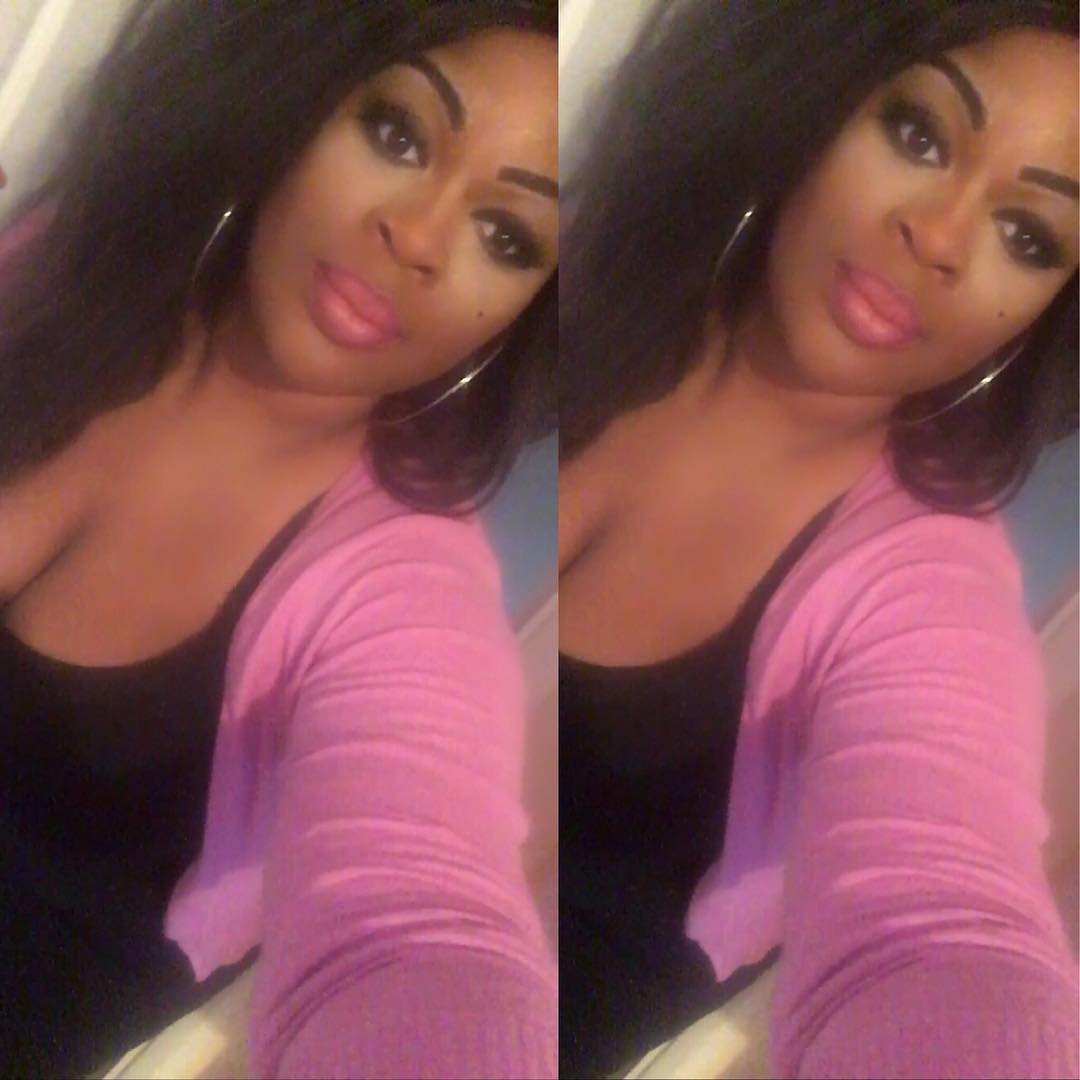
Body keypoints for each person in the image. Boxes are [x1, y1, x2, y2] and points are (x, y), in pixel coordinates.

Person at [0, 1, 557, 1076]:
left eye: (507, 236)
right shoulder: (56, 269)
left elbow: (426, 918)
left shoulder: (403, 589)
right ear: (295, 102)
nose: (418, 235)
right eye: (397, 134)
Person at [558, 0, 1078, 1076]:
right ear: (816, 100)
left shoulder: (927, 589)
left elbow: (947, 922)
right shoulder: (548, 302)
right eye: (919, 135)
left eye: (1028, 237)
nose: (938, 236)